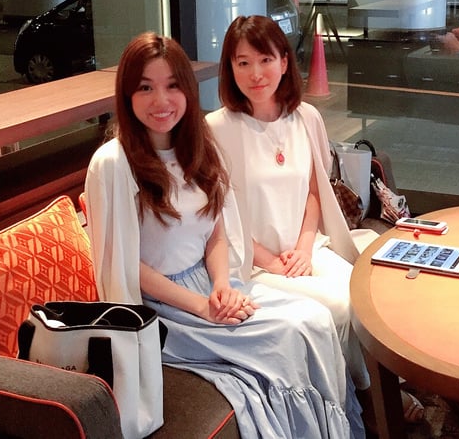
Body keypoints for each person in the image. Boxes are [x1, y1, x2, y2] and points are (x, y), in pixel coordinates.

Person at [84, 31, 365, 439]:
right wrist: (202, 306)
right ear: (126, 94)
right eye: (145, 88)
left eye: (172, 86)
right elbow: (125, 267)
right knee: (285, 339)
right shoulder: (112, 164)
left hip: (212, 284)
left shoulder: (198, 146)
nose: (161, 101)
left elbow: (216, 233)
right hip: (163, 309)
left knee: (316, 319)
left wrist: (221, 286)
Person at [206, 15, 425, 425]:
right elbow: (218, 216)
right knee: (339, 307)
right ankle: (369, 397)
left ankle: (382, 384)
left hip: (306, 248)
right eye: (243, 63)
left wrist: (305, 247)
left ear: (284, 62)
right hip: (252, 263)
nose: (256, 74)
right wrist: (271, 260)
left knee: (366, 294)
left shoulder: (306, 117)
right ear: (229, 68)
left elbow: (315, 191)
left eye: (265, 60)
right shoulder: (216, 129)